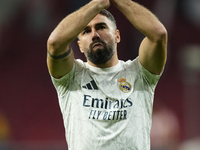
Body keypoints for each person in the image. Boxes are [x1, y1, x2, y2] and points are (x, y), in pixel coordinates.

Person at [47, 0, 167, 149]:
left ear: (117, 36)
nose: (95, 35)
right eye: (86, 31)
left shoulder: (140, 73)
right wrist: (98, 3)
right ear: (80, 46)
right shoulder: (71, 77)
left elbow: (158, 34)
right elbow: (54, 42)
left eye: (101, 27)